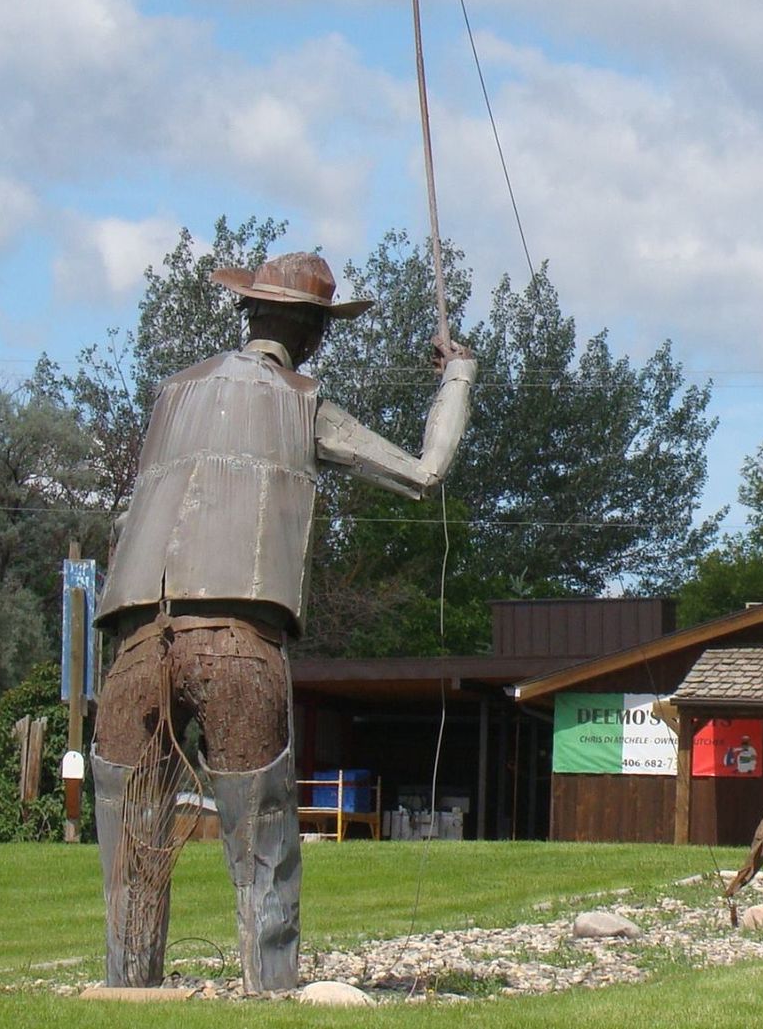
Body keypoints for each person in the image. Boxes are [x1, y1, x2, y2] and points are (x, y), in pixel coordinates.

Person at [90, 251, 476, 991]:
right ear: (313, 332)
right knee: (262, 838)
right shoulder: (302, 402)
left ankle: (128, 988)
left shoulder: (172, 393)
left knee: (132, 847)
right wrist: (457, 376)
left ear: (249, 313)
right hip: (240, 640)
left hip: (138, 643)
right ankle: (270, 989)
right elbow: (424, 472)